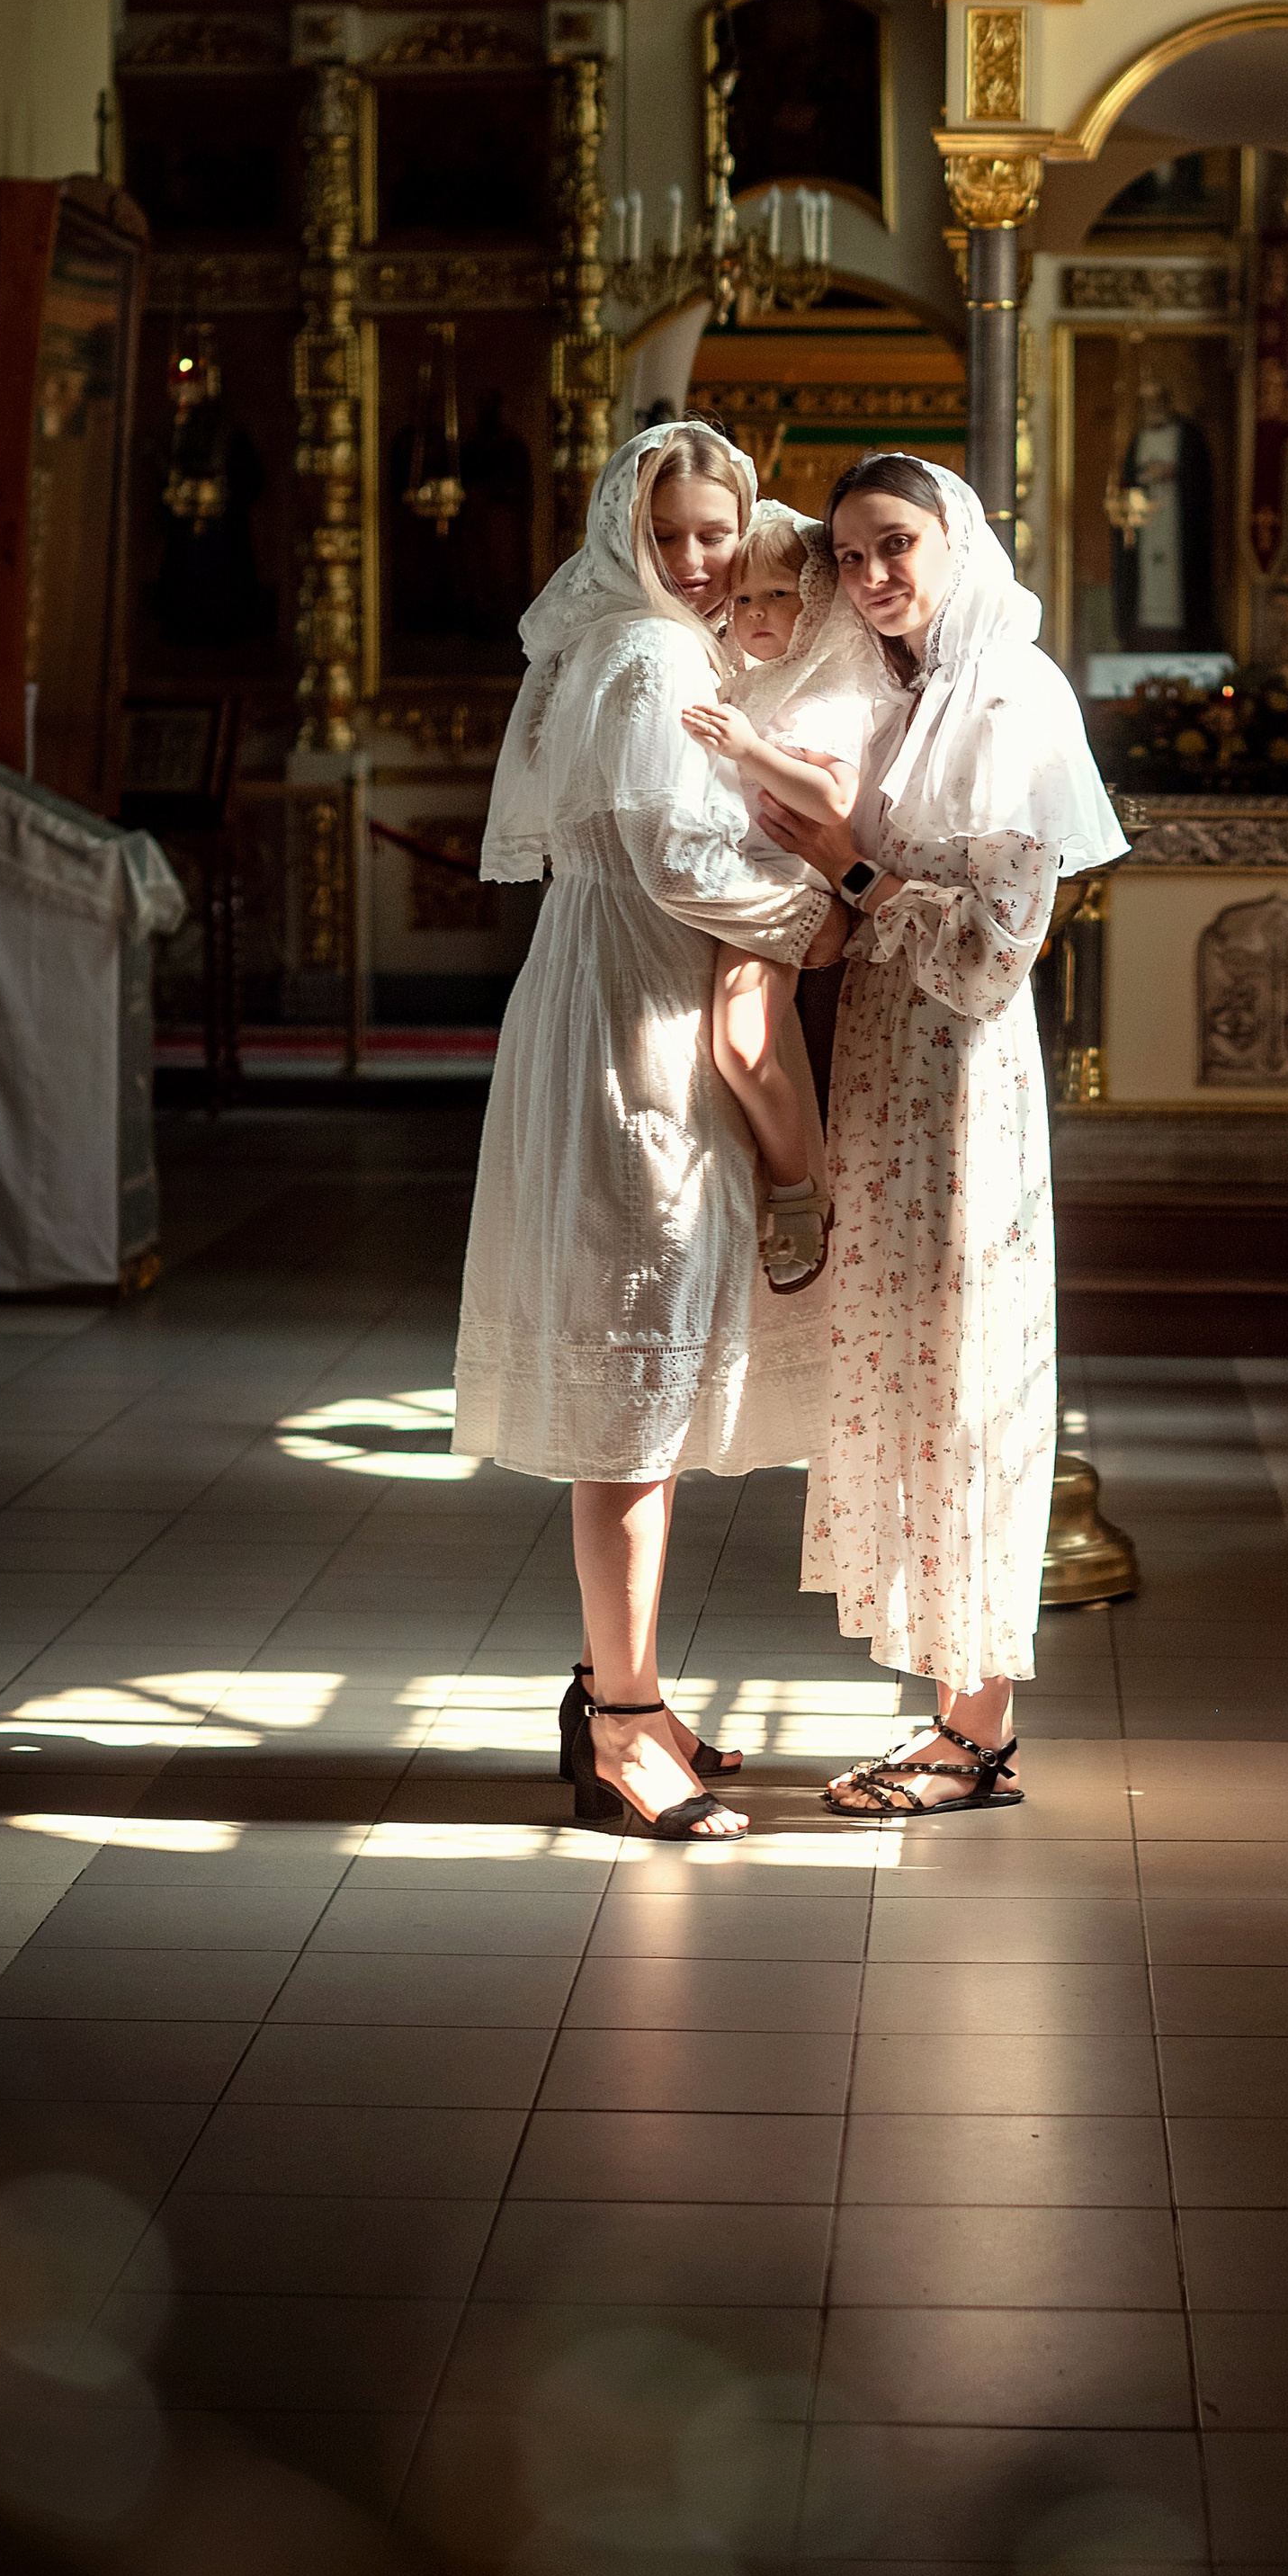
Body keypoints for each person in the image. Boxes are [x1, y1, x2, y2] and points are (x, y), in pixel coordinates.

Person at [452, 423, 850, 1840]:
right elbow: (680, 859)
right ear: (629, 529)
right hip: (635, 1029)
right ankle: (622, 1722)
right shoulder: (651, 652)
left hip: (623, 1007)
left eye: (715, 534)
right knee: (635, 1382)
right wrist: (832, 908)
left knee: (650, 1380)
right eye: (670, 533)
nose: (695, 560)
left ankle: (619, 1689)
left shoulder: (640, 641)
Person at [755, 456, 1127, 1816]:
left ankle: (980, 1730)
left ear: (957, 539)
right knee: (906, 1365)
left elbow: (993, 949)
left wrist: (850, 863)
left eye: (895, 544)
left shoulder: (1013, 692)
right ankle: (949, 1710)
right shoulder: (897, 696)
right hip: (880, 1068)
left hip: (963, 1078)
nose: (873, 578)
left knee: (970, 1370)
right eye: (850, 556)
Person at [680, 503, 888, 1295]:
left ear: (820, 604)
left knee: (741, 1042)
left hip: (782, 882)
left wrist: (751, 749)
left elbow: (832, 799)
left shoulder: (829, 685)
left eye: (780, 596)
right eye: (743, 600)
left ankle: (799, 1195)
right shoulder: (748, 678)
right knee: (728, 1046)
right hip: (731, 874)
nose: (758, 615)